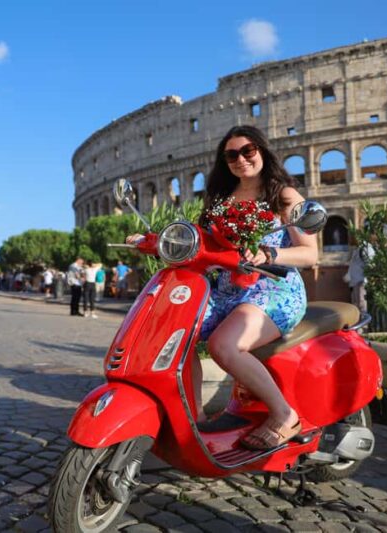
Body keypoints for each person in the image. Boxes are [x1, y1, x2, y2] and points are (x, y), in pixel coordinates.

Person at [127, 125, 318, 450]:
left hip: (274, 287)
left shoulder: (283, 195)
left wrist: (269, 252)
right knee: (173, 334)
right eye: (231, 155)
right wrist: (155, 241)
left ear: (261, 151)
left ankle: (285, 415)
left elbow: (311, 253)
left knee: (223, 345)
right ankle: (194, 418)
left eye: (248, 151)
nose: (240, 160)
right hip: (227, 290)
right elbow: (200, 243)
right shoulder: (220, 201)